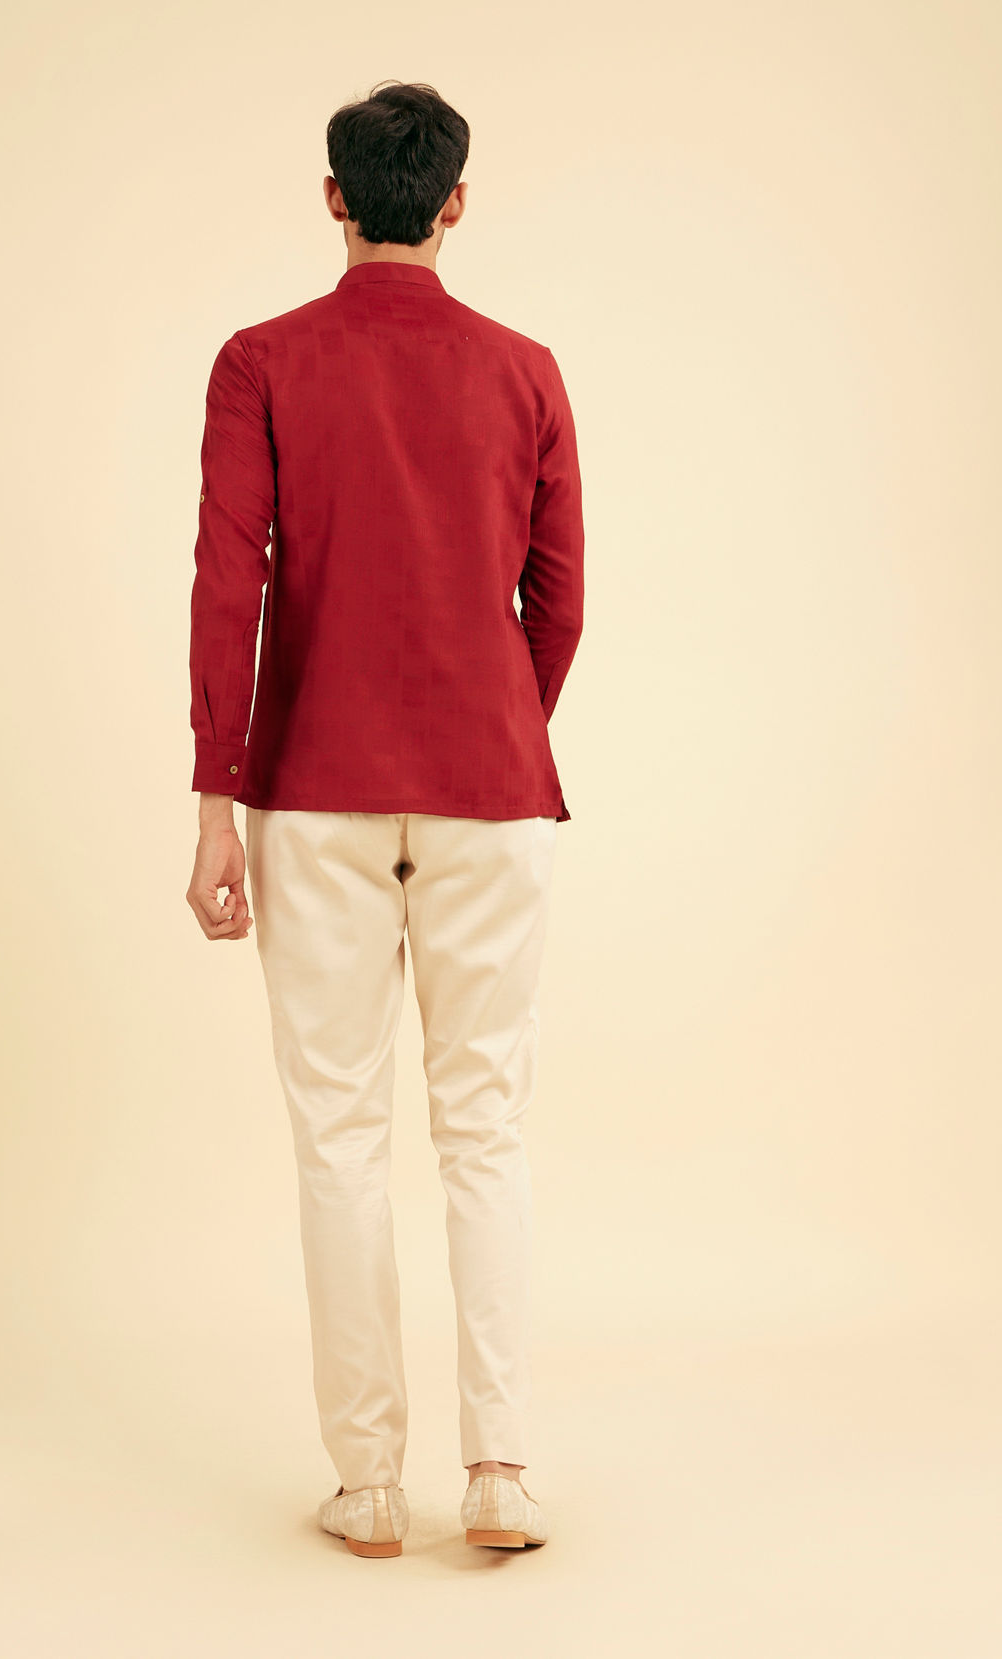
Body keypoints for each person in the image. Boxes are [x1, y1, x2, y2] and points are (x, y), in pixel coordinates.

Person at [185, 79, 585, 1557]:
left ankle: (366, 1486)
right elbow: (560, 600)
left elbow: (229, 586)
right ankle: (501, 1471)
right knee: (485, 1130)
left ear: (336, 199)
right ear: (456, 203)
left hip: (312, 788)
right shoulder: (526, 372)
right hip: (491, 788)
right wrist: (497, 718)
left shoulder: (261, 363)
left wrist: (217, 803)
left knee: (341, 1138)